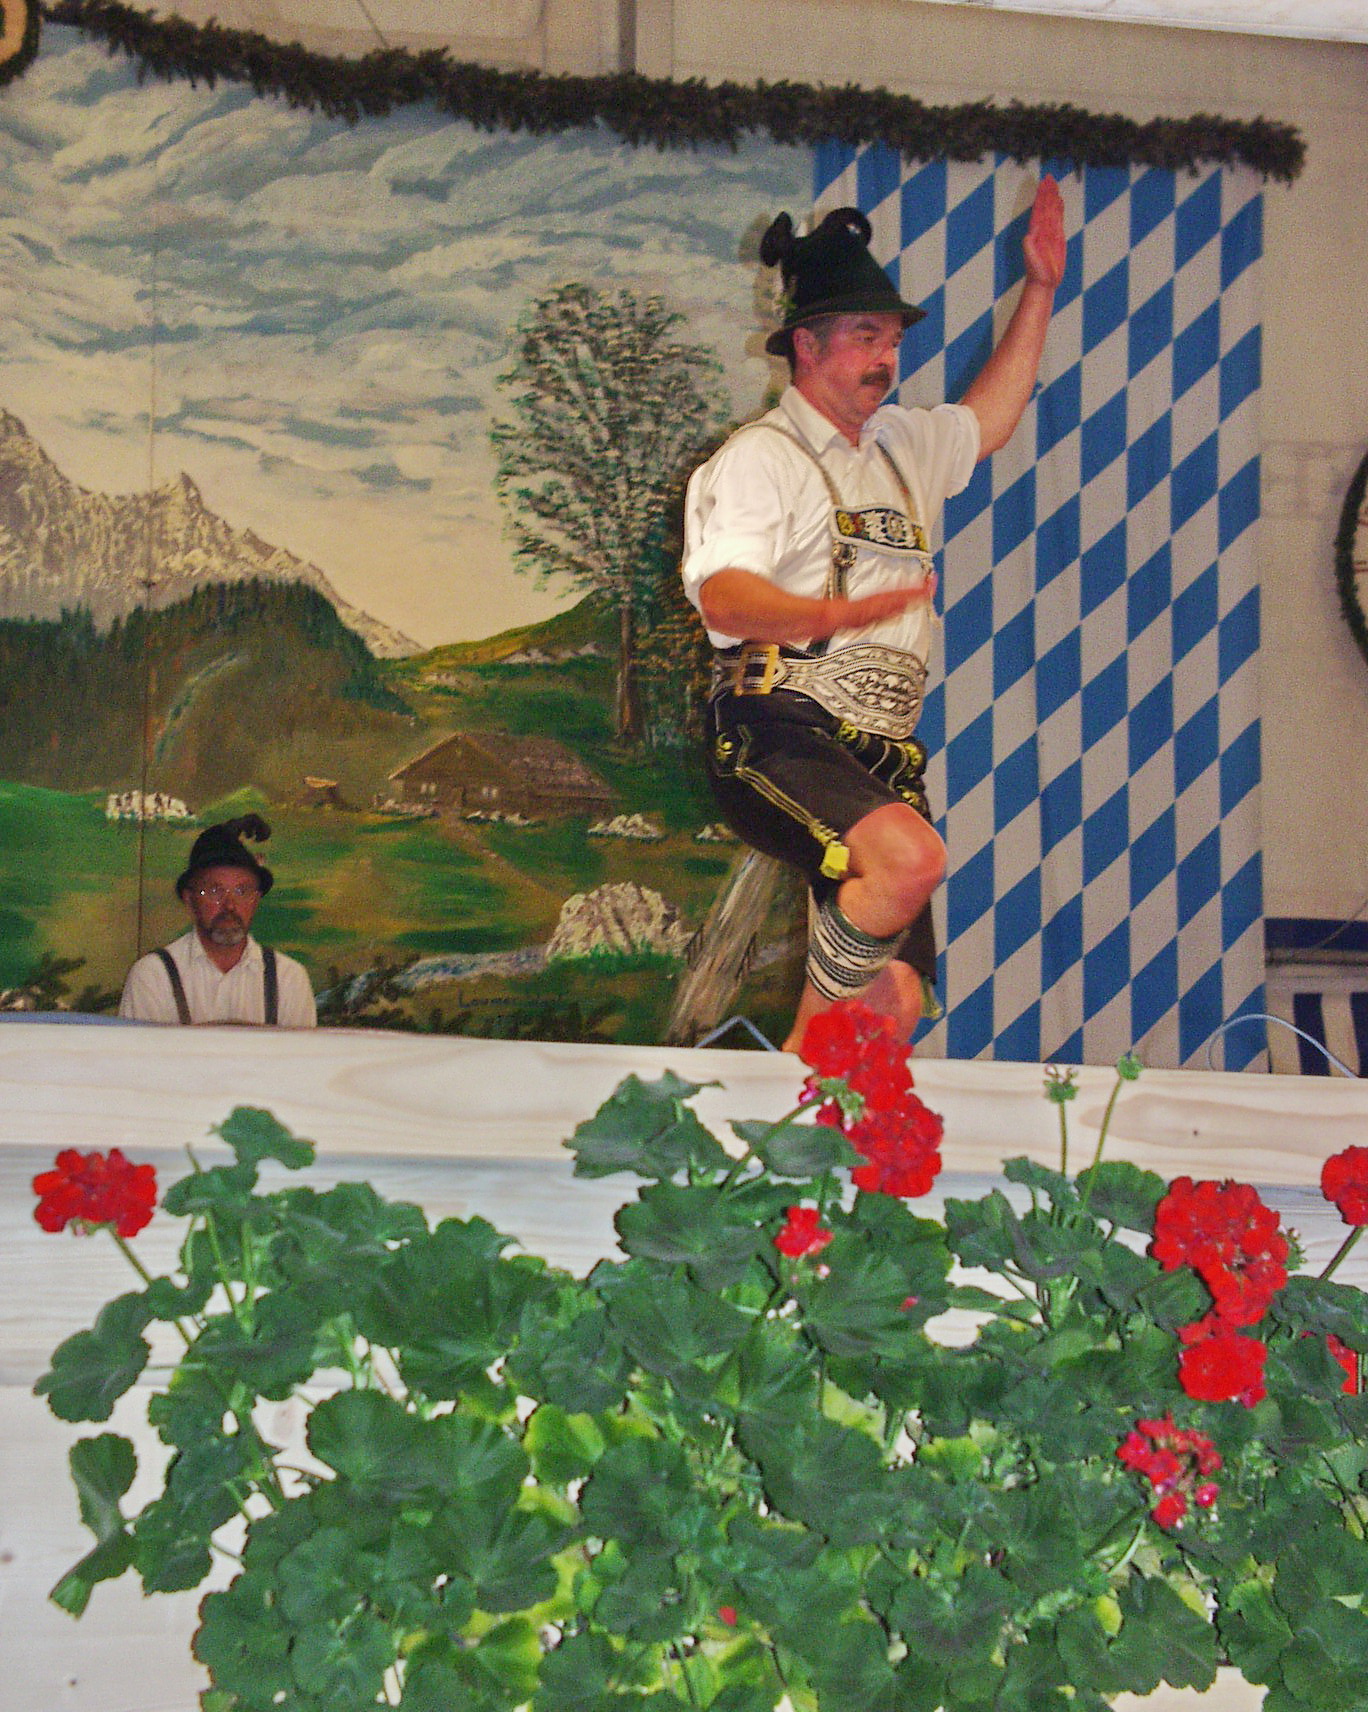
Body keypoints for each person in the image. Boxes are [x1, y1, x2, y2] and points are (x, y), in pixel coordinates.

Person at [681, 177, 1066, 1050]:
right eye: (866, 336)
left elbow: (990, 418)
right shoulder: (760, 459)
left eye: (892, 339)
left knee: (892, 1006)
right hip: (774, 729)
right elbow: (724, 597)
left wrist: (1040, 290)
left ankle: (805, 1089)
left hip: (884, 751)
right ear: (806, 344)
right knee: (910, 858)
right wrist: (835, 613)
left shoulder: (902, 445)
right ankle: (796, 1071)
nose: (887, 357)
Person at [119, 814, 317, 1026]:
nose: (230, 905)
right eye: (215, 891)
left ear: (256, 900)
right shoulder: (152, 976)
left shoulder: (289, 979)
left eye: (242, 891)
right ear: (189, 900)